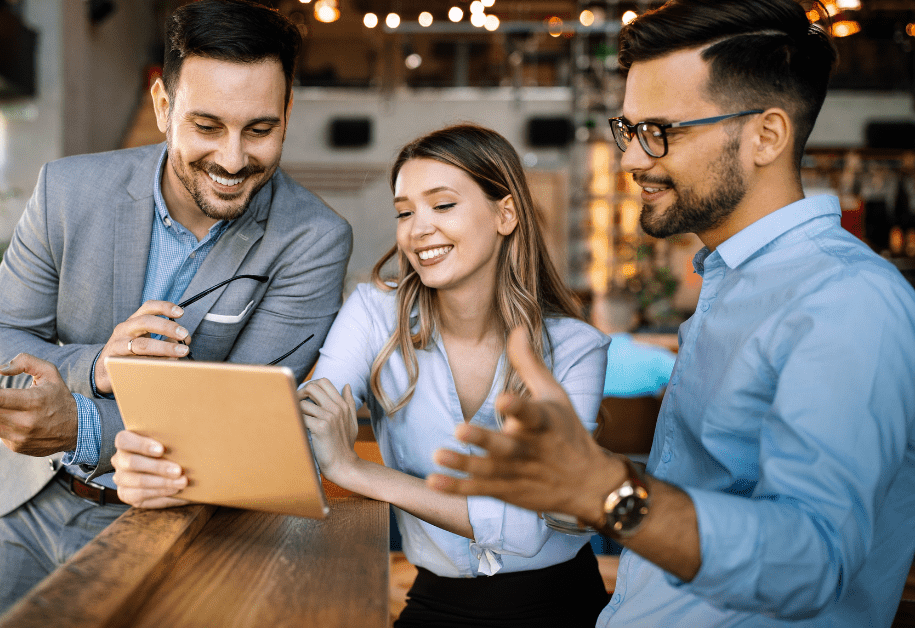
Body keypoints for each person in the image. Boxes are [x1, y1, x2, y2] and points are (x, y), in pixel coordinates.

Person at [428, 1, 915, 626]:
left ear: (766, 135)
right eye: (627, 130)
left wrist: (609, 490)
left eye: (662, 131)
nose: (632, 159)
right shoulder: (734, 280)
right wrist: (572, 484)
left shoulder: (848, 301)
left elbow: (813, 560)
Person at [0, 1, 352, 625]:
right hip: (22, 504)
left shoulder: (313, 240)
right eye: (207, 126)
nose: (234, 160)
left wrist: (80, 425)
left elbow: (236, 424)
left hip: (178, 526)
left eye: (260, 129)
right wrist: (97, 366)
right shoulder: (67, 191)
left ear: (288, 112)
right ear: (163, 106)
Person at [299, 124, 611, 627]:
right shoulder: (374, 314)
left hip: (563, 604)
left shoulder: (576, 348)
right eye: (404, 212)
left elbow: (526, 529)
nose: (417, 229)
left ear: (505, 214)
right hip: (437, 600)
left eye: (442, 206)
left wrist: (357, 472)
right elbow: (309, 418)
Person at [590, 290, 675, 398]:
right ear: (634, 319)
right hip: (648, 415)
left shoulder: (583, 362)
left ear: (594, 318)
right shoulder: (660, 357)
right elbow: (692, 386)